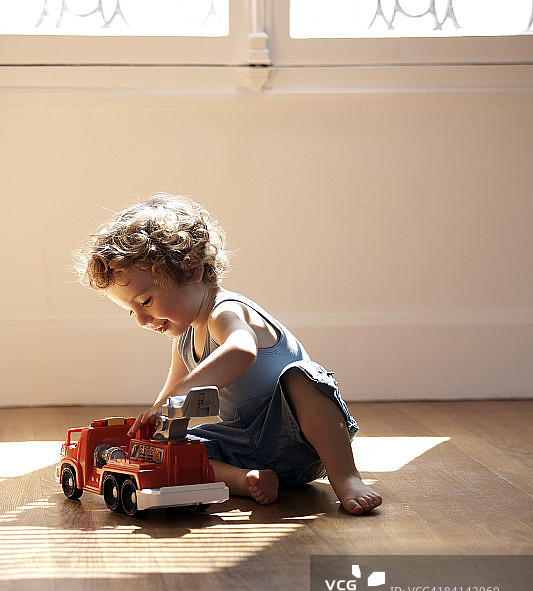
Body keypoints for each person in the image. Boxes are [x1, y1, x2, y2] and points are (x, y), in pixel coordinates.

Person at [77, 193, 382, 515]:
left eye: (146, 302)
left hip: (297, 436)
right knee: (176, 448)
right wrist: (154, 422)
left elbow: (241, 350)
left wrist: (182, 391)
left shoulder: (224, 311)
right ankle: (245, 480)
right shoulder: (184, 342)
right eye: (131, 311)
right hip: (243, 444)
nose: (141, 319)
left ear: (191, 269)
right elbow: (169, 398)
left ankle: (346, 477)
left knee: (303, 378)